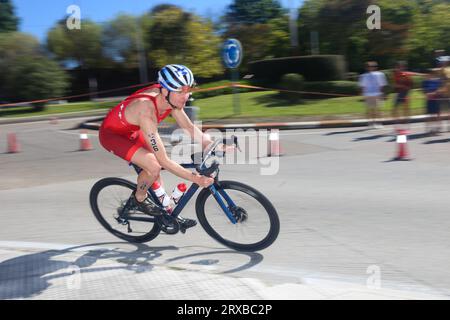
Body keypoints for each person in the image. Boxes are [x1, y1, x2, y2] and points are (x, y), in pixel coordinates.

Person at [99, 64, 218, 230]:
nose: (185, 96)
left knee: (154, 175)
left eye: (188, 90)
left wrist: (209, 143)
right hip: (113, 135)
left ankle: (167, 213)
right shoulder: (146, 110)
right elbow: (164, 161)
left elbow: (188, 126)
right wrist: (196, 179)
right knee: (154, 166)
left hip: (135, 129)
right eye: (180, 91)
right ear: (164, 90)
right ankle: (139, 199)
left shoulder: (170, 96)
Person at [358, 61, 388, 129]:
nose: (370, 68)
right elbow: (363, 86)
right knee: (369, 109)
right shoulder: (363, 76)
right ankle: (371, 123)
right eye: (369, 66)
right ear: (366, 68)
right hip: (368, 94)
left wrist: (383, 94)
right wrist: (363, 95)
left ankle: (379, 123)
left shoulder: (380, 74)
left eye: (372, 66)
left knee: (378, 109)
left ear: (376, 67)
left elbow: (382, 85)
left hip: (377, 94)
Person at [422, 69, 442, 135]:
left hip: (436, 99)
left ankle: (437, 128)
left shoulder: (437, 81)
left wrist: (434, 93)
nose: (428, 76)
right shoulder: (425, 82)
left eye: (429, 74)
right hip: (429, 100)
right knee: (430, 115)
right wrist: (427, 94)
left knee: (437, 114)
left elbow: (440, 89)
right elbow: (424, 90)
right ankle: (429, 129)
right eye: (427, 74)